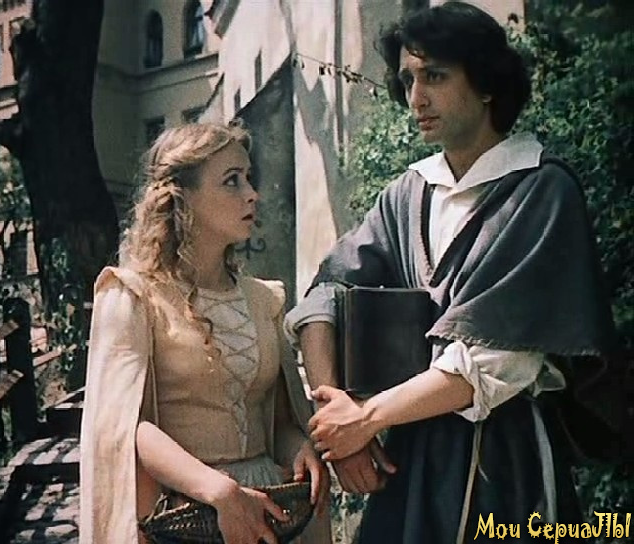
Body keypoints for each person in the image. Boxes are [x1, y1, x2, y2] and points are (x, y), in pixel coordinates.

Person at [285, 3, 616, 543]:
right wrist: (335, 423)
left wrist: (364, 421)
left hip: (505, 467)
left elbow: (497, 358)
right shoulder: (406, 196)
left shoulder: (541, 191)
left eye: (434, 76)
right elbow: (325, 296)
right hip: (408, 460)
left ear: (486, 84)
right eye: (407, 81)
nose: (416, 98)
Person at [79, 123, 331, 544]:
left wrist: (299, 449)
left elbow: (277, 418)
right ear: (183, 197)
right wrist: (217, 490)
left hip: (268, 507)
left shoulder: (264, 300)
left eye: (248, 178)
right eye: (232, 181)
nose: (252, 194)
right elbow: (124, 426)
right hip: (186, 513)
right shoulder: (134, 296)